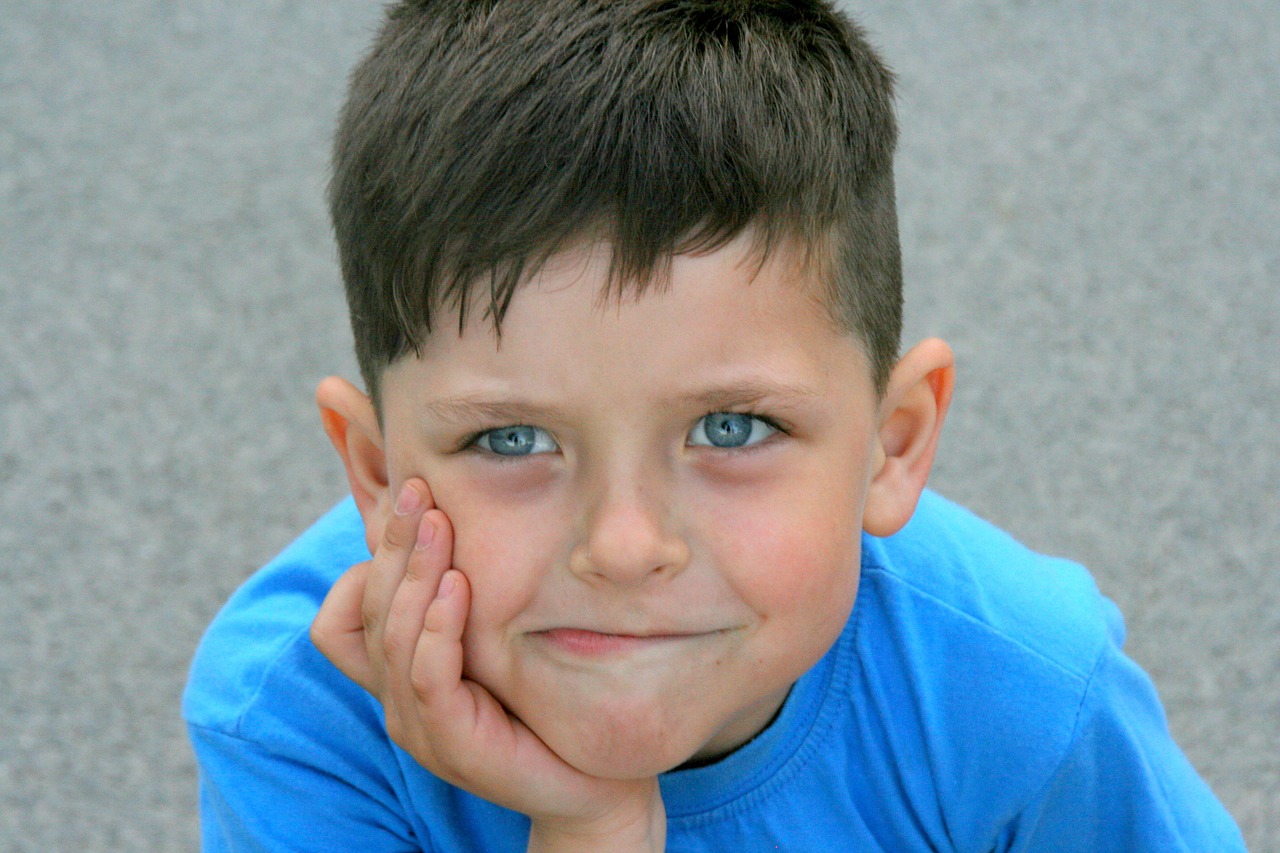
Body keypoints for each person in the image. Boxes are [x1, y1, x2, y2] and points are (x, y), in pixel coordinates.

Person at [184, 1, 1245, 849]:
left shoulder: (1019, 694)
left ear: (894, 441)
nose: (625, 546)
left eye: (731, 428)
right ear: (373, 472)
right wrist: (589, 825)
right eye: (511, 440)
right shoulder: (301, 723)